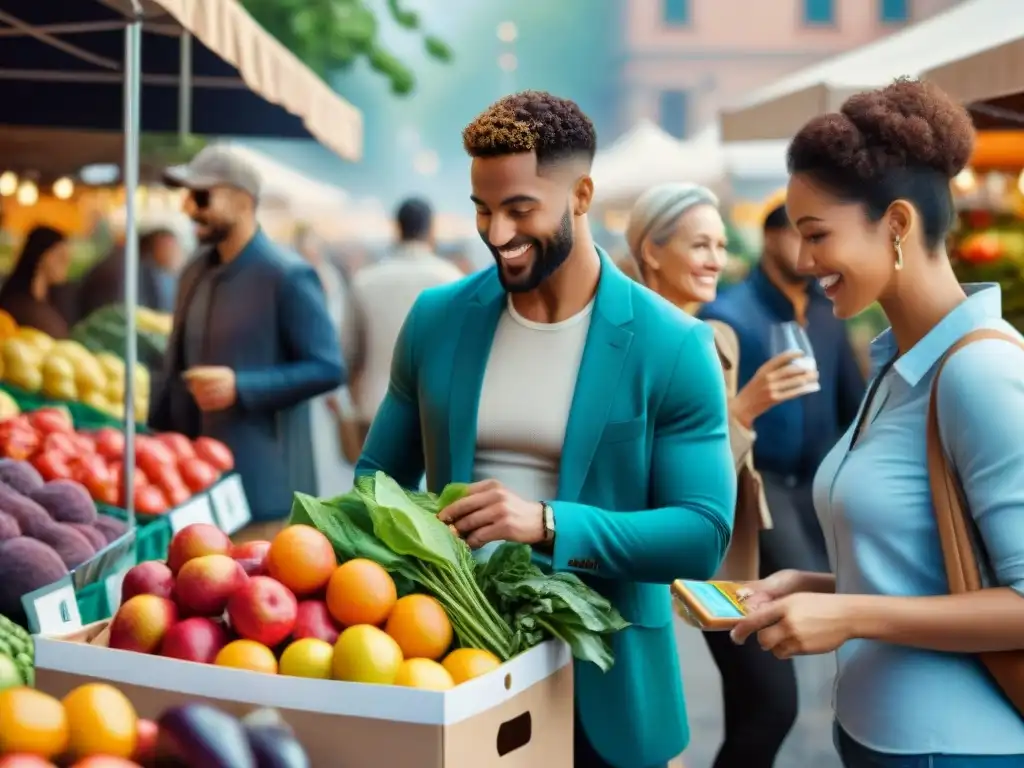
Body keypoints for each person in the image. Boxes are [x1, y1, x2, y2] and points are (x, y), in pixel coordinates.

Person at [355, 91, 736, 768]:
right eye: (481, 208)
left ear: (581, 194)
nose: (496, 232)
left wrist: (548, 524)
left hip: (610, 687)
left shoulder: (673, 344)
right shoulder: (436, 319)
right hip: (454, 669)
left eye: (520, 208)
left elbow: (702, 533)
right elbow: (374, 481)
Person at [732, 79, 1024, 767]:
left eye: (817, 235)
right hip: (880, 741)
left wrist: (851, 614)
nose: (805, 262)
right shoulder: (901, 363)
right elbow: (929, 574)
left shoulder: (980, 373)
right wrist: (812, 587)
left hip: (956, 751)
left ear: (896, 224)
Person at [627, 184, 817, 768]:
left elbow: (726, 465)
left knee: (765, 701)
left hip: (728, 547)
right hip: (645, 547)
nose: (715, 259)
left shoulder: (722, 339)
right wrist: (745, 410)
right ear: (652, 252)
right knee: (668, 722)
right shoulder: (626, 342)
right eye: (698, 245)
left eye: (718, 245)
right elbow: (647, 468)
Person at [150, 146, 344, 542]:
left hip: (264, 496)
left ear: (242, 201)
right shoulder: (193, 271)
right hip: (192, 489)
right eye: (186, 195)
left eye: (201, 196)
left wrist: (241, 387)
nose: (188, 207)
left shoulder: (287, 274)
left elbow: (328, 367)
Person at [700, 192, 865, 577]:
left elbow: (853, 401)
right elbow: (713, 417)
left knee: (844, 580)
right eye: (801, 237)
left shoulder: (830, 309)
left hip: (827, 481)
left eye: (817, 239)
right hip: (764, 485)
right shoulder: (725, 316)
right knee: (801, 582)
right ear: (771, 238)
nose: (811, 254)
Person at [347, 197, 463, 442]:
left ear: (397, 228)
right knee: (434, 481)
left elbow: (349, 355)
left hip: (376, 410)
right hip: (435, 410)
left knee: (377, 481)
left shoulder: (365, 280)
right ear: (431, 229)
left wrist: (354, 402)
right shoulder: (452, 280)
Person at [77, 227, 185, 319]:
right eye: (176, 248)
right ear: (162, 245)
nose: (180, 255)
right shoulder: (126, 269)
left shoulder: (130, 262)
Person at [0, 225, 72, 338]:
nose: (66, 263)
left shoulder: (54, 300)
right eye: (61, 257)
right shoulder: (19, 306)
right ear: (42, 256)